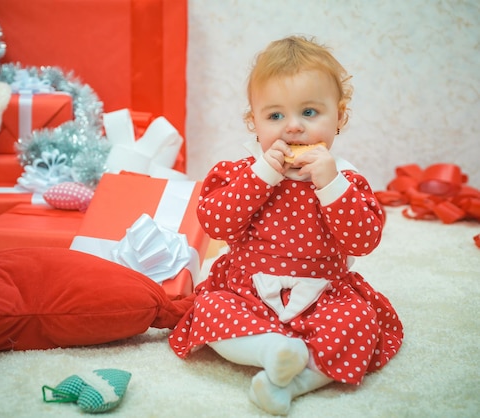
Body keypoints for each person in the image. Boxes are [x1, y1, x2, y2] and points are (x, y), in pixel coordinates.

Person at [168, 35, 404, 415]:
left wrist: (330, 185)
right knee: (209, 308)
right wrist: (262, 176)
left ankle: (293, 381)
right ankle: (272, 349)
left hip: (323, 293)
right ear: (254, 122)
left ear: (339, 116)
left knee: (361, 321)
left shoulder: (346, 179)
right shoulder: (243, 173)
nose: (292, 128)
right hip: (246, 290)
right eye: (275, 116)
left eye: (309, 113)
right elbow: (214, 223)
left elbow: (363, 241)